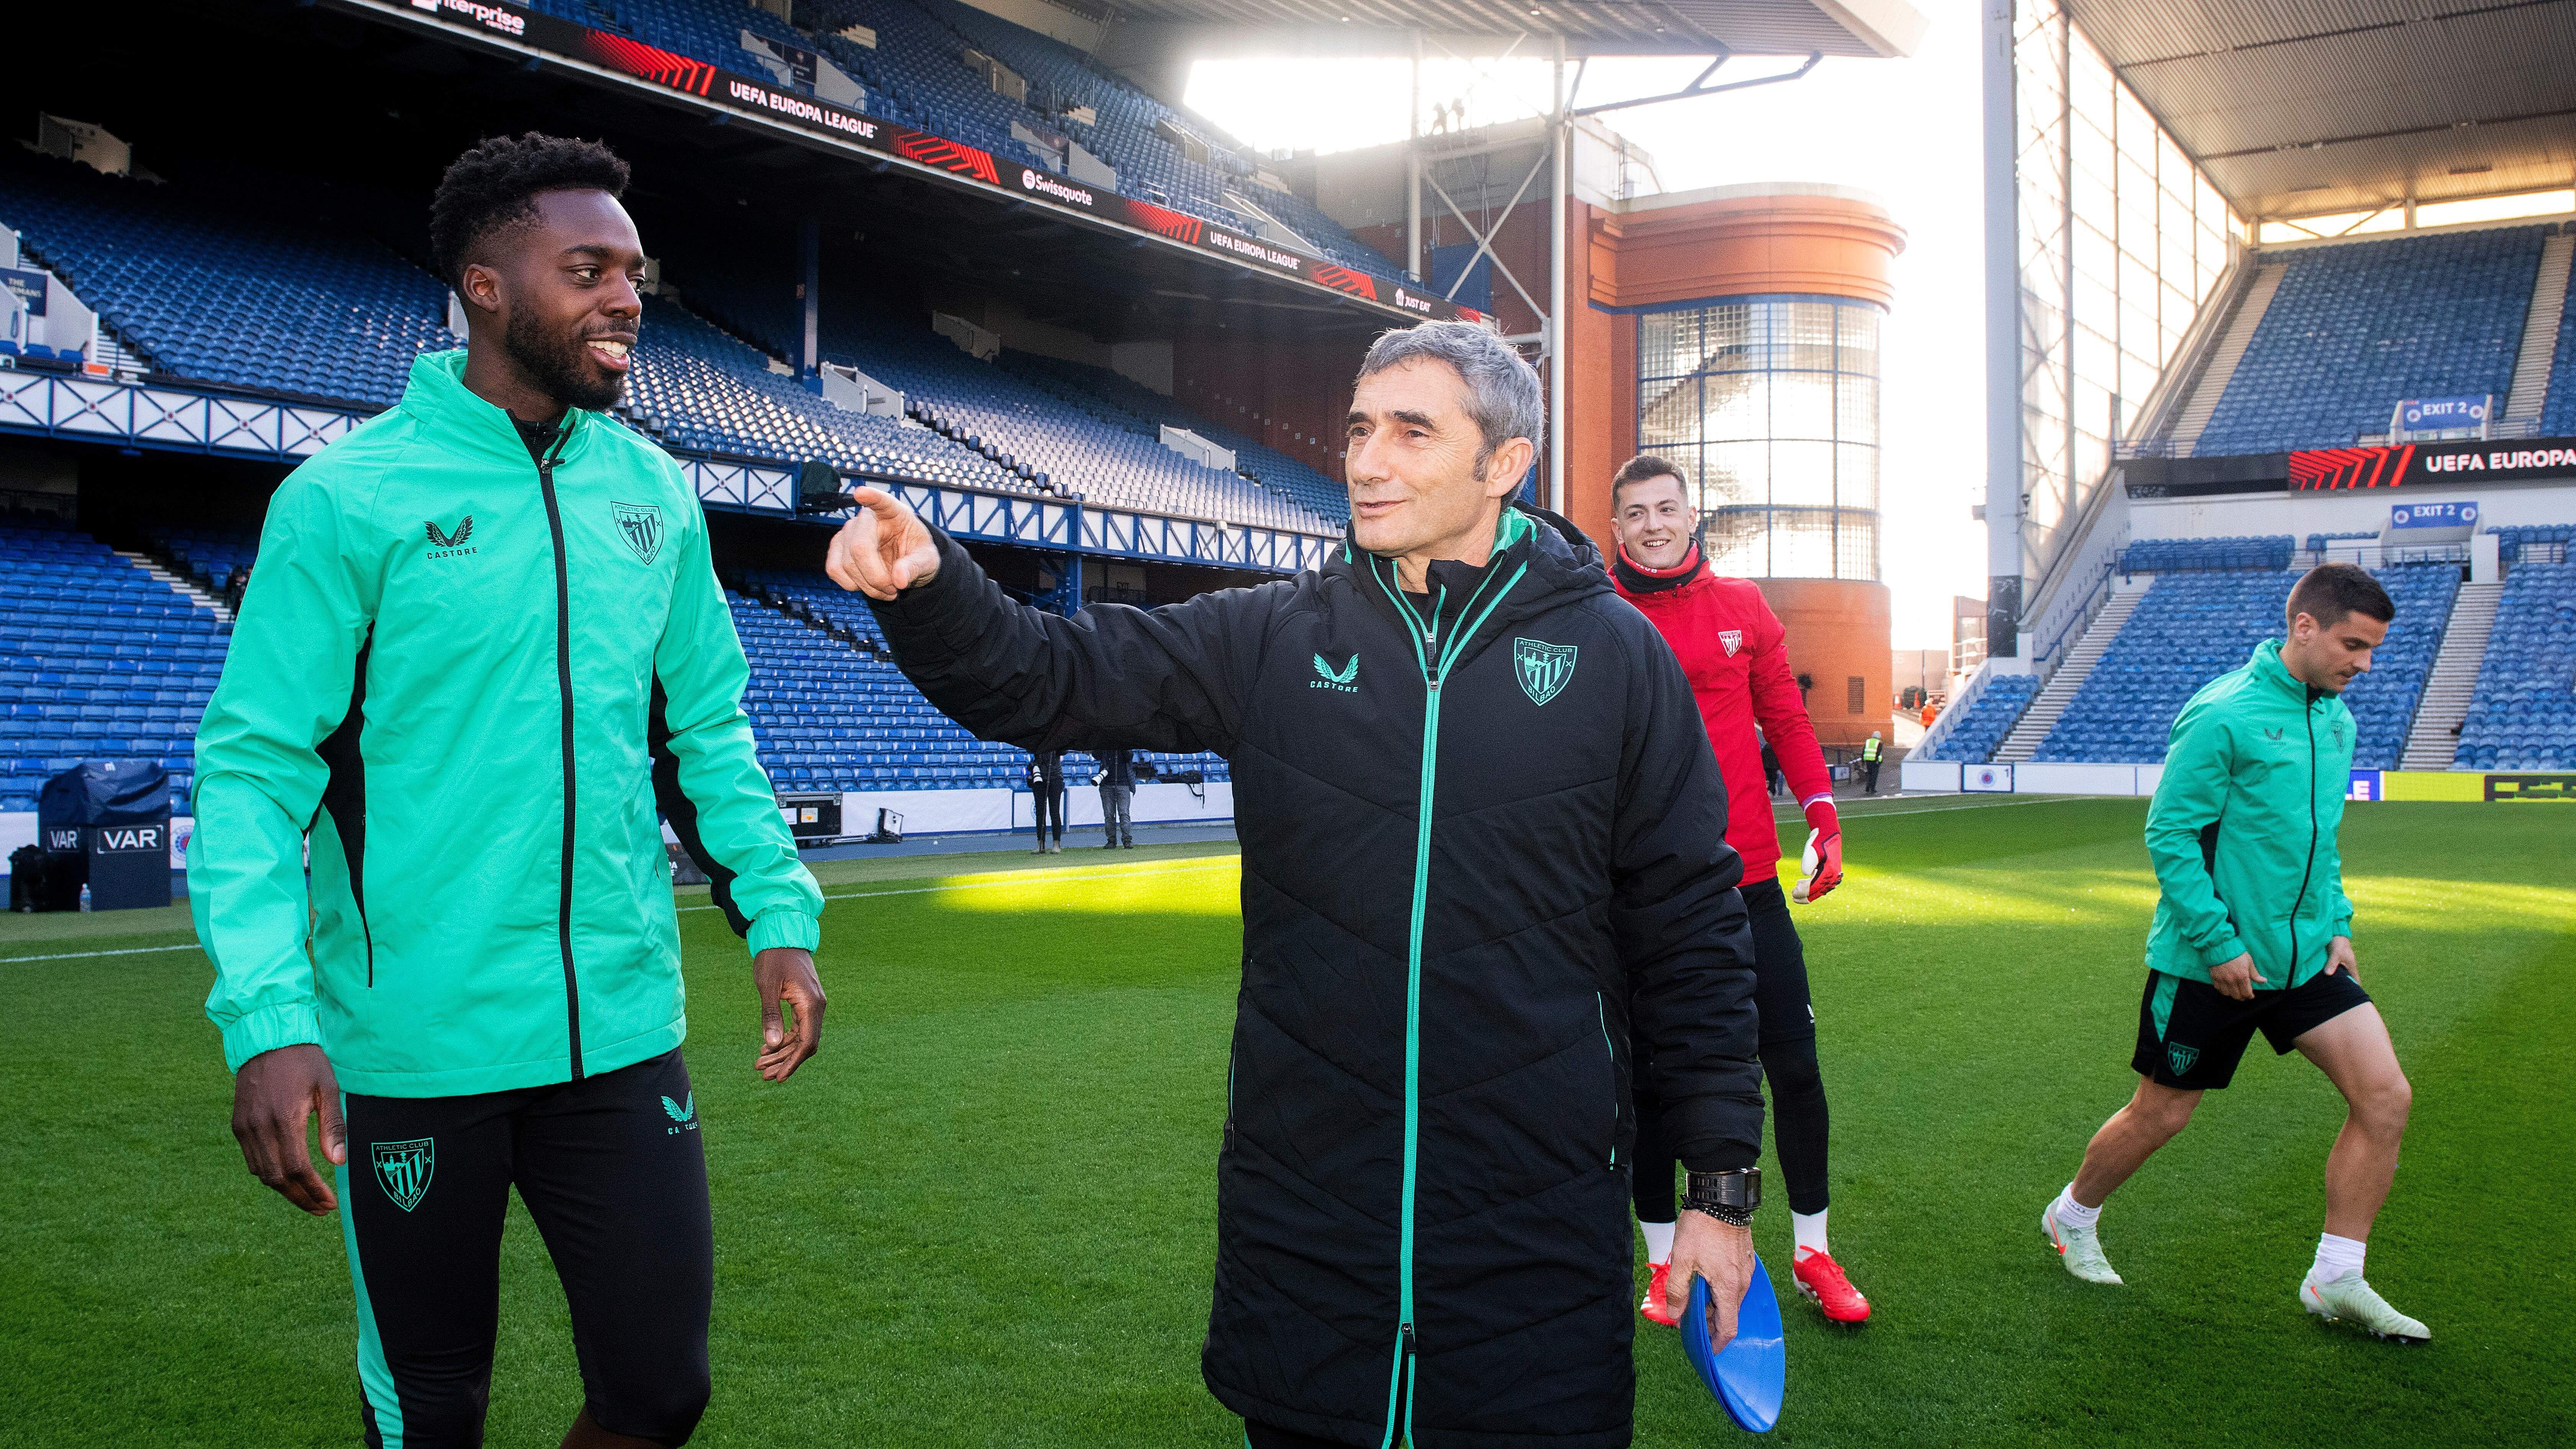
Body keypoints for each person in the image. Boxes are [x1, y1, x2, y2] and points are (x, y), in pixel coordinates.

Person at [826, 320, 1766, 1449]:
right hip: (1312, 1234)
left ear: (1503, 463)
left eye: (1412, 433)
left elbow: (1692, 938)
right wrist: (931, 588)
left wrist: (1717, 1193)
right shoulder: (1271, 637)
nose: (1366, 460)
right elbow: (1048, 675)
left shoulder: (1617, 661)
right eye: (1361, 428)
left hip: (1532, 1241)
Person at [193, 133, 829, 1449]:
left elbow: (704, 728)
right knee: (434, 1412)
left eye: (633, 271)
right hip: (422, 1046)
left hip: (621, 1034)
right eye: (585, 267)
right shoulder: (345, 500)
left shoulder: (654, 492)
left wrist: (777, 910)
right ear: (485, 287)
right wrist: (266, 1015)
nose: (626, 297)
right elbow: (255, 772)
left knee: (661, 1392)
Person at [2041, 563, 2425, 1342]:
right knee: (2161, 1113)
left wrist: (2339, 920)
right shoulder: (2223, 713)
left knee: (2385, 1097)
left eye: (2374, 649)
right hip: (2208, 963)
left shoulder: (2336, 720)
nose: (2364, 663)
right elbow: (2170, 832)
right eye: (2354, 644)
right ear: (2306, 627)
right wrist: (2218, 941)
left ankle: (2336, 1273)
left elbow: (2320, 843)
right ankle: (2072, 1213)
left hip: (2309, 957)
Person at [1604, 454, 1871, 1326]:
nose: (1653, 523)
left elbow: (1785, 718)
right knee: (1647, 1086)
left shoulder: (1744, 608)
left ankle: (1814, 1250)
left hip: (1747, 880)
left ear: (1692, 516)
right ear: (1616, 529)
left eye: (1667, 507)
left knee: (1792, 1065)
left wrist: (1824, 812)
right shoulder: (1597, 619)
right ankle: (1657, 1262)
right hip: (1640, 892)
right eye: (1636, 511)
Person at [1096, 746, 1136, 849]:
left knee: (1124, 814)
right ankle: (1113, 841)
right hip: (1109, 785)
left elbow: (1129, 756)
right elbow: (1096, 755)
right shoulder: (1105, 746)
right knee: (1110, 815)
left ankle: (1126, 840)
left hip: (1122, 784)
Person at [1027, 748, 1066, 853]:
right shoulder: (1038, 741)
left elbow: (1064, 751)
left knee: (1054, 812)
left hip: (1055, 777)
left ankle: (1057, 844)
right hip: (1039, 778)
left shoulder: (1056, 741)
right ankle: (1041, 844)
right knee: (1040, 812)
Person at [1859, 729, 1883, 794]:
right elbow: (1878, 752)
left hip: (1867, 760)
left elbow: (1864, 751)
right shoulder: (1879, 742)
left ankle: (1868, 787)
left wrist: (1863, 761)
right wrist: (1878, 761)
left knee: (1869, 774)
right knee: (1874, 775)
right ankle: (1873, 789)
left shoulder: (1868, 741)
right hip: (1875, 761)